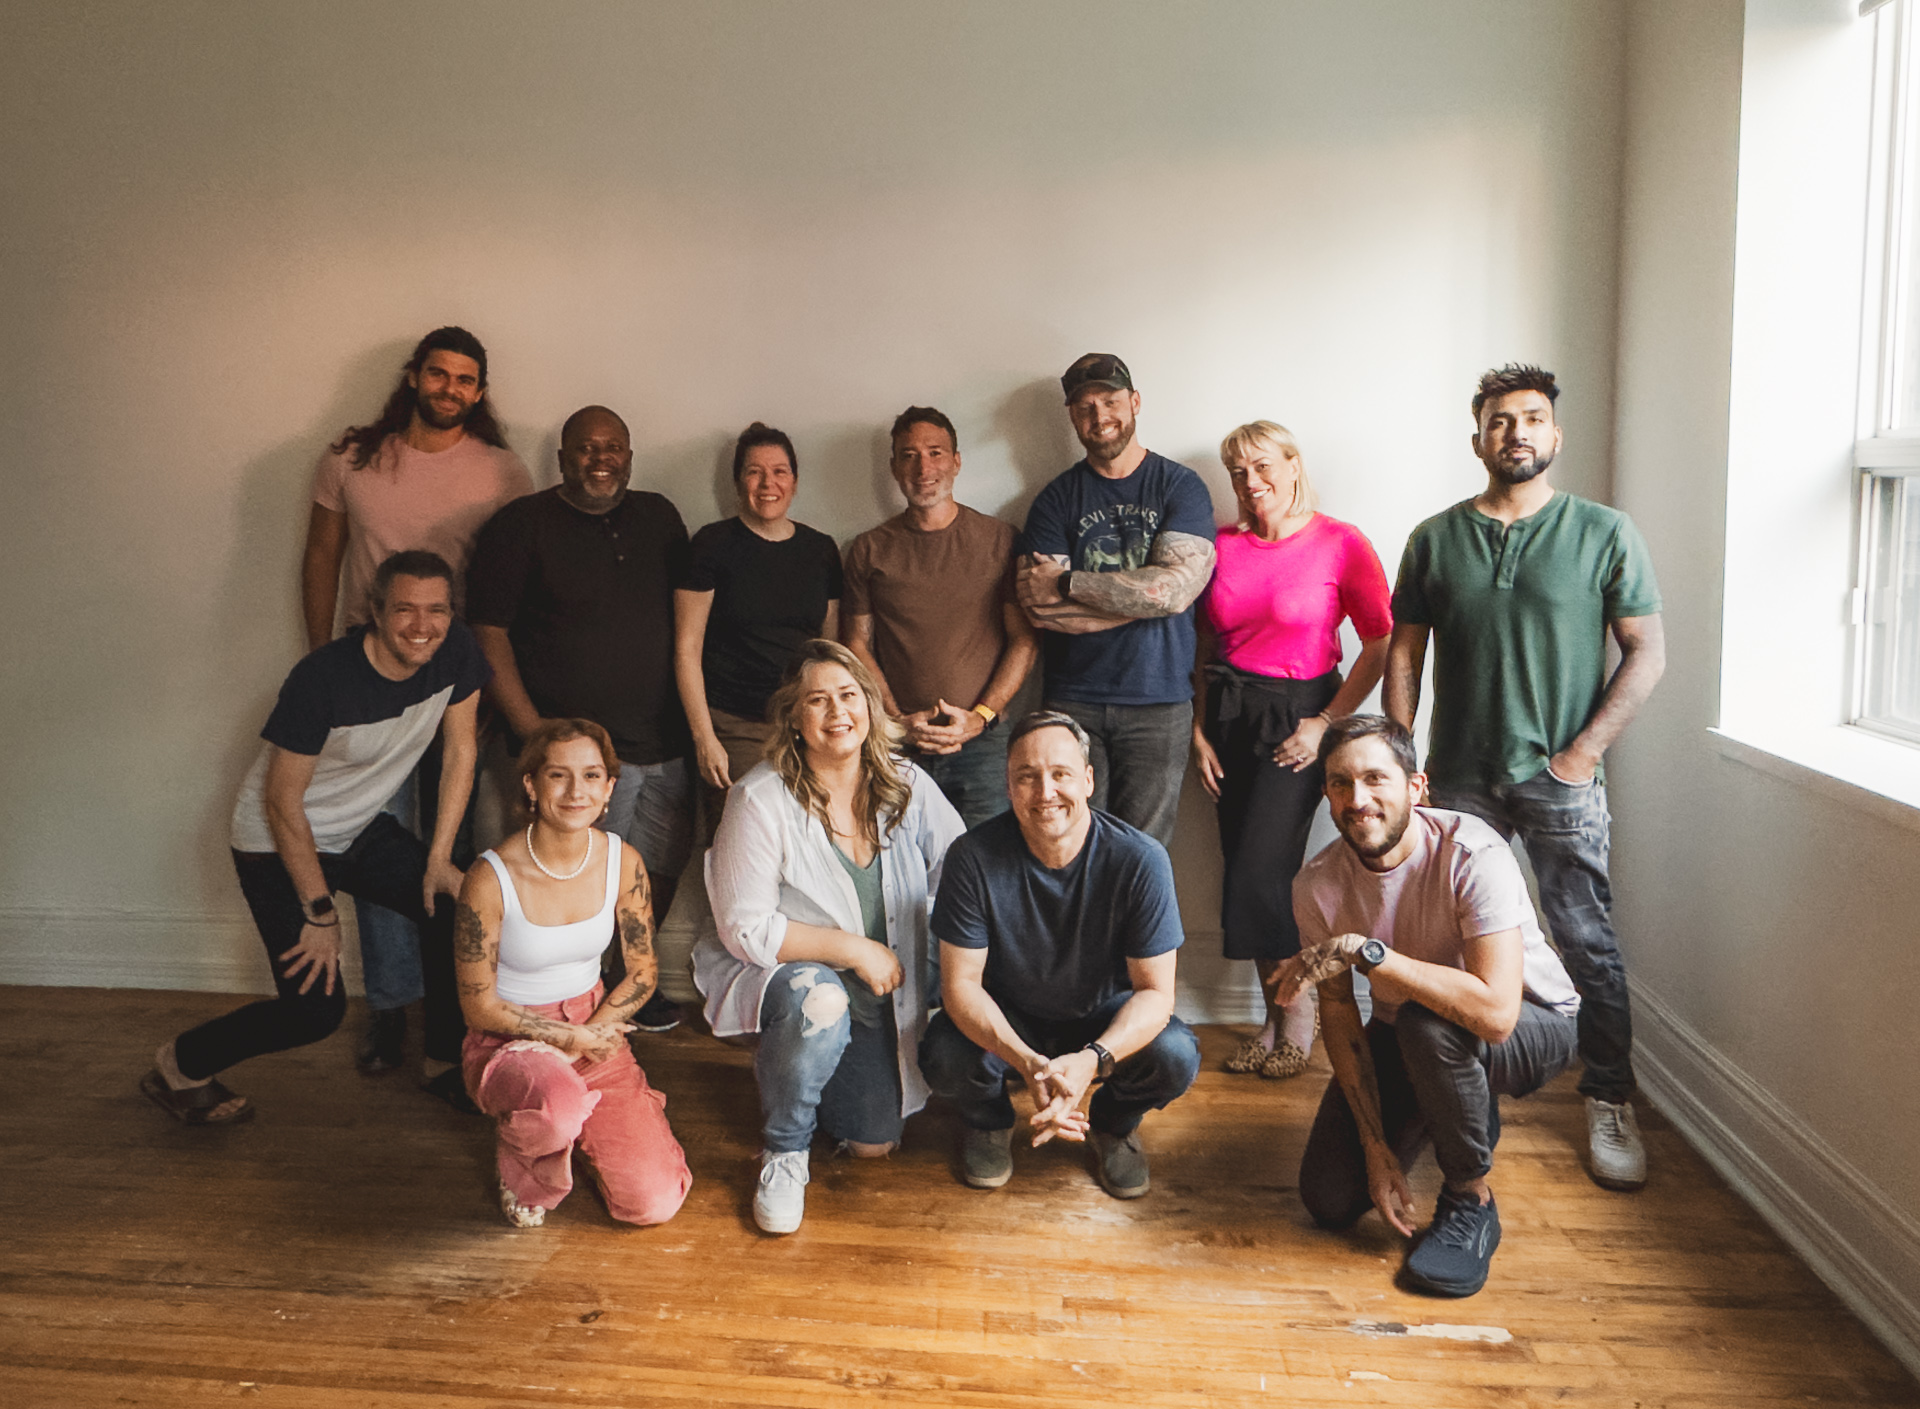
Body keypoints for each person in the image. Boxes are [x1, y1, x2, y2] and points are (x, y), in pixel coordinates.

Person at [1386, 364, 1665, 1192]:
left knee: (1585, 942)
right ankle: (1443, 1090)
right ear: (1478, 439)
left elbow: (1648, 650)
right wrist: (1403, 758)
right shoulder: (1435, 538)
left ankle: (1609, 1096)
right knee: (1440, 937)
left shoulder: (1604, 532)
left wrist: (1581, 755)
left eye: (1532, 419)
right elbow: (1404, 649)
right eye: (1501, 421)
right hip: (1457, 776)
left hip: (1560, 779)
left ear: (1555, 435)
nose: (1516, 433)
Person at [142, 552, 488, 1124]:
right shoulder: (324, 678)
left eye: (436, 610)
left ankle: (442, 1063)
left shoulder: (456, 651)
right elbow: (281, 803)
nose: (422, 626)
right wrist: (320, 912)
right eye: (404, 609)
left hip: (355, 829)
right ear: (374, 612)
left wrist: (437, 858)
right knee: (314, 1013)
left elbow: (461, 751)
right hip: (277, 842)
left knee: (453, 908)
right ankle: (179, 1064)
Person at [1277, 715, 1580, 1298]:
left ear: (1415, 788)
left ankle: (1471, 1197)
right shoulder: (1316, 885)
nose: (1357, 800)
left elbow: (1496, 1014)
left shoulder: (1473, 853)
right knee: (1331, 1199)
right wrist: (1374, 1147)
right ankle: (1456, 1106)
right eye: (1340, 783)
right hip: (1412, 1033)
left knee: (1427, 1025)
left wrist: (1369, 954)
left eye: (1375, 779)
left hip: (1534, 1022)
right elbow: (1341, 1019)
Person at [300, 326, 533, 1073]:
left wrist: (499, 680)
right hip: (369, 679)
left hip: (459, 680)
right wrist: (321, 663)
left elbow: (515, 585)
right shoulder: (353, 460)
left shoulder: (504, 471)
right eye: (439, 374)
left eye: (466, 379)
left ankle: (452, 1005)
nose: (450, 388)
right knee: (375, 846)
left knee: (453, 850)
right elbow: (322, 556)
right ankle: (391, 1011)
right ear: (414, 377)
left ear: (480, 391)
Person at [692, 640, 964, 1234]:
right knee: (821, 1000)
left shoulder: (906, 782)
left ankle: (811, 1069)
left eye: (848, 696)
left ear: (870, 705)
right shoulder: (759, 798)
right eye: (817, 701)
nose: (837, 712)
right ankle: (784, 1150)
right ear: (794, 717)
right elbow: (745, 927)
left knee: (872, 1145)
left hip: (889, 993)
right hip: (800, 979)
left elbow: (959, 868)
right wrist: (853, 949)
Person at [467, 405, 691, 1033]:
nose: (601, 459)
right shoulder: (519, 526)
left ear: (629, 455)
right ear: (562, 457)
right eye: (586, 448)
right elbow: (489, 633)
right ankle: (571, 997)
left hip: (664, 744)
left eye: (613, 447)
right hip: (574, 761)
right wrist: (532, 733)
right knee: (575, 881)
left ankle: (624, 984)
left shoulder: (661, 518)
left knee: (655, 875)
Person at [919, 711, 1201, 1199]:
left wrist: (1094, 1058)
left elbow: (1156, 994)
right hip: (1010, 1018)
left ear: (1088, 780)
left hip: (1100, 1018)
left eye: (1060, 774)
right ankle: (988, 1122)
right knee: (942, 1053)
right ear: (1009, 787)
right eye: (1026, 777)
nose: (1044, 791)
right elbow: (960, 986)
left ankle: (1112, 1126)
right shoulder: (971, 857)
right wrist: (1027, 1063)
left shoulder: (1141, 859)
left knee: (1175, 1055)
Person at [1191, 421, 1392, 1080]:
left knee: (1262, 872)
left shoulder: (1340, 542)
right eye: (1238, 473)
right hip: (1227, 715)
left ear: (1293, 465)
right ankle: (1271, 1018)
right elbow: (1201, 645)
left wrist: (1326, 722)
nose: (1252, 484)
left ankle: (1296, 1012)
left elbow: (1381, 641)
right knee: (1247, 875)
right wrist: (1197, 728)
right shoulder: (1220, 545)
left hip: (1300, 718)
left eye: (1262, 467)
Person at [453, 719, 692, 1228]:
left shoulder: (623, 862)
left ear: (609, 788)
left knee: (651, 1205)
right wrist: (565, 1036)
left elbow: (643, 971)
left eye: (591, 776)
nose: (575, 791)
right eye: (558, 775)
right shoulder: (489, 877)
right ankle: (526, 1155)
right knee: (555, 1108)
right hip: (508, 1037)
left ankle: (570, 1129)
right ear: (531, 785)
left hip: (595, 1023)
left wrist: (590, 1034)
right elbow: (479, 1006)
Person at [1015, 354, 1218, 849]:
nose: (1099, 416)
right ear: (1071, 417)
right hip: (1072, 698)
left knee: (1142, 851)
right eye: (1084, 406)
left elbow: (1173, 593)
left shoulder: (1180, 486)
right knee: (1067, 843)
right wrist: (1146, 598)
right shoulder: (1055, 499)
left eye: (1109, 401)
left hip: (1160, 701)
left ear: (1135, 403)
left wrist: (1068, 585)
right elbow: (1038, 609)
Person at [841, 406, 1038, 828]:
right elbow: (856, 642)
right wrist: (895, 721)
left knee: (988, 870)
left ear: (956, 461)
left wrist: (980, 717)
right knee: (899, 874)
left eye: (935, 452)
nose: (923, 467)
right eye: (908, 455)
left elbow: (1024, 640)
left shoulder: (1000, 540)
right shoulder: (868, 549)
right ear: (894, 467)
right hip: (897, 746)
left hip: (983, 746)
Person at [675, 422, 842, 839]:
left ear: (795, 481)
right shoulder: (711, 545)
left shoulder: (821, 550)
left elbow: (829, 649)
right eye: (754, 471)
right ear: (738, 482)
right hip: (735, 727)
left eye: (780, 471)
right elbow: (686, 648)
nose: (768, 483)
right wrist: (704, 738)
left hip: (806, 725)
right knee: (743, 843)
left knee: (809, 843)